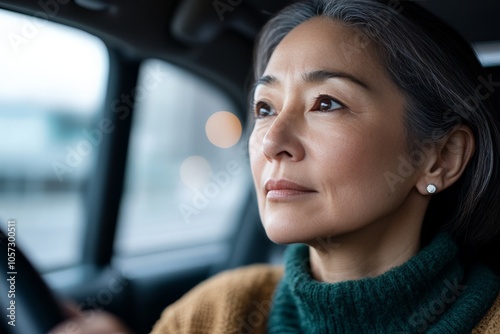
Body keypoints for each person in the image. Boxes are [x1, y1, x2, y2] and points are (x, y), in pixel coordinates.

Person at [51, 0, 500, 333]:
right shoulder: (211, 314)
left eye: (326, 103)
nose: (271, 141)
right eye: (265, 108)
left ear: (441, 158)